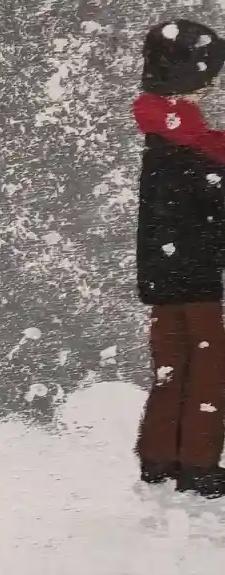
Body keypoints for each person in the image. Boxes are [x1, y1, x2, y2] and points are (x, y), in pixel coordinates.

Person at [134, 19, 225, 497]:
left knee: (172, 366)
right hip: (194, 275)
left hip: (164, 274)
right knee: (208, 367)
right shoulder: (187, 146)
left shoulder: (166, 135)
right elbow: (208, 205)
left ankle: (159, 456)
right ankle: (198, 464)